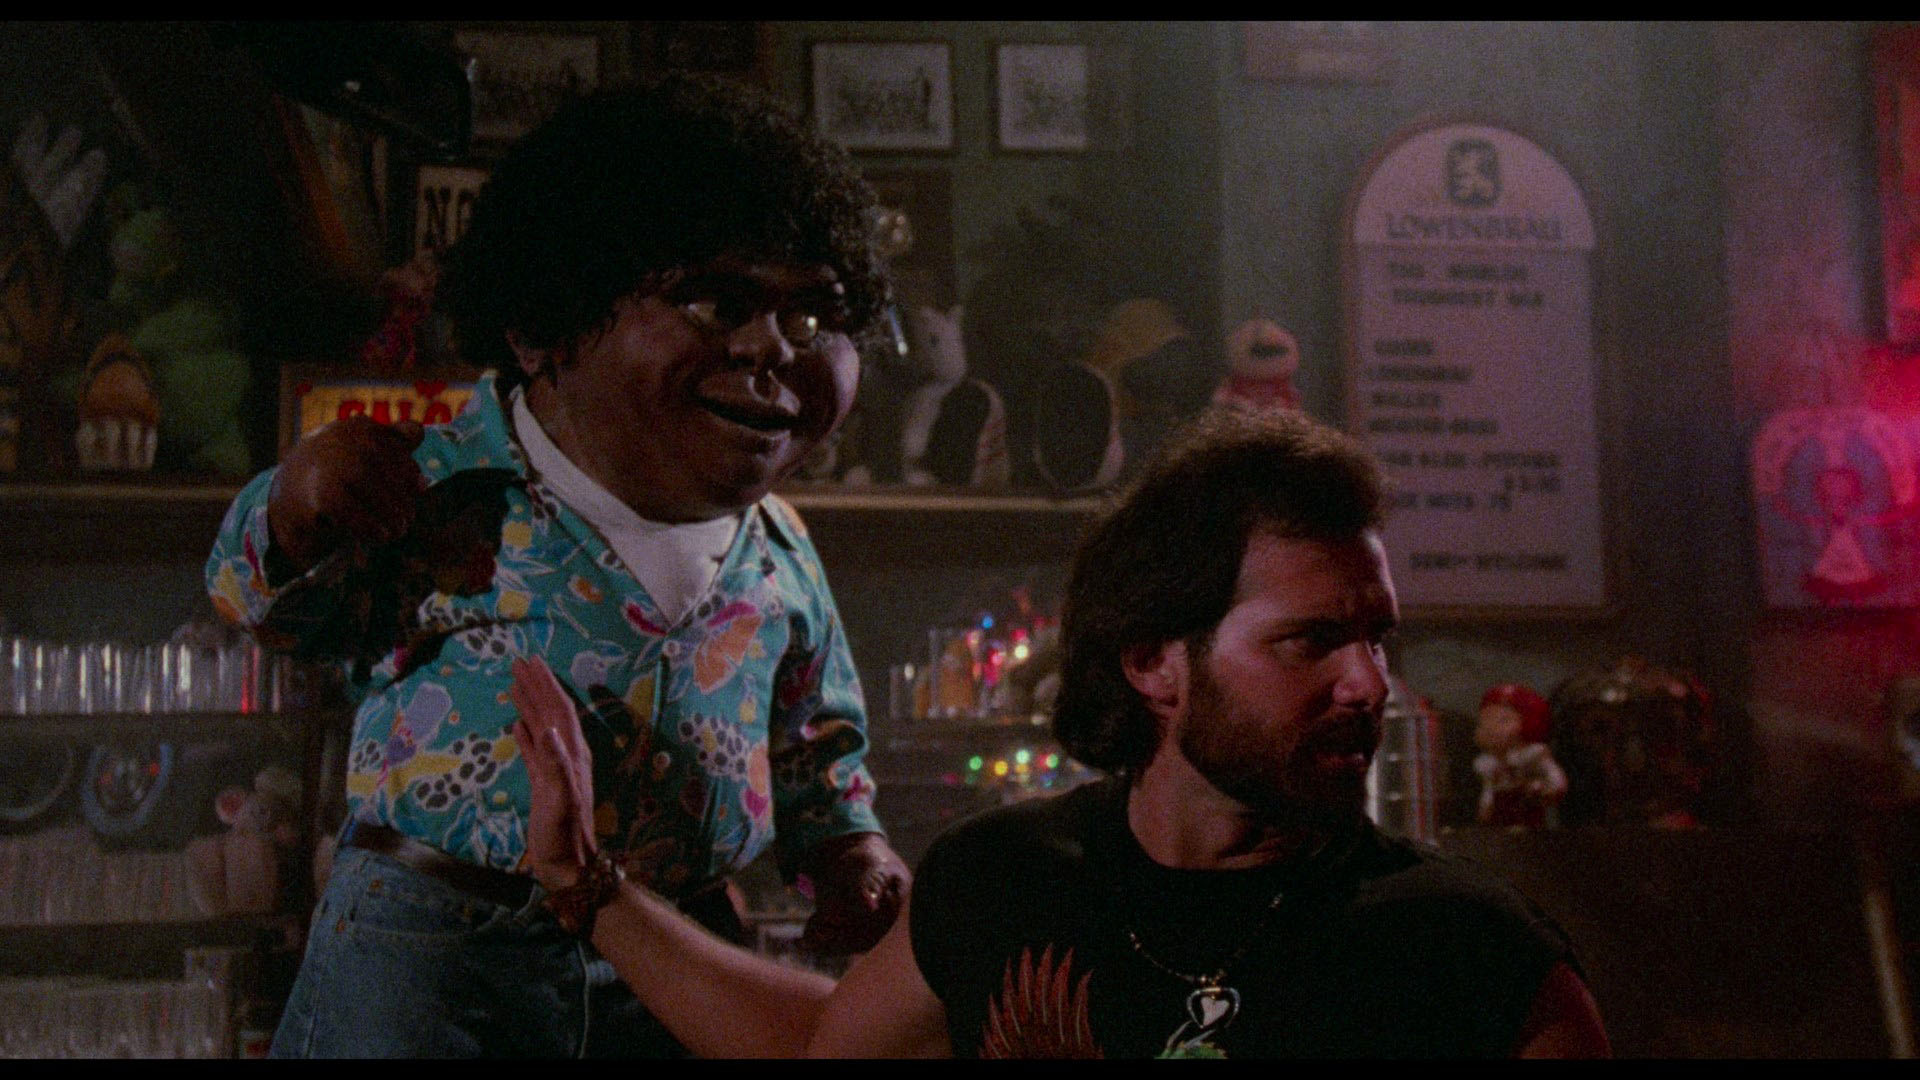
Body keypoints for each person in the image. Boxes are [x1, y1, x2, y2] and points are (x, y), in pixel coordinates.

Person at [509, 407, 1613, 1059]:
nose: (1368, 683)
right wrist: (589, 890)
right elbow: (823, 1045)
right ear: (1153, 661)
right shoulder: (1009, 880)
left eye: (1379, 638)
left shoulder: (1470, 952)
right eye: (1312, 641)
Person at [204, 74, 910, 1058]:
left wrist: (846, 846)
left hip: (673, 957)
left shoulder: (782, 545)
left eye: (812, 318)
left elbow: (813, 742)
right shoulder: (437, 488)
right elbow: (262, 610)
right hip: (438, 955)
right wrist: (292, 508)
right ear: (544, 328)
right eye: (716, 301)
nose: (772, 348)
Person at [1473, 683, 1568, 829]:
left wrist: (1545, 789)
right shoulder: (1488, 763)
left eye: (1504, 720)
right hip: (1501, 816)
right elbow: (1489, 788)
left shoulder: (1533, 755)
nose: (1491, 728)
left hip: (1528, 811)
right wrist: (1486, 805)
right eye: (1484, 721)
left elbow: (1556, 780)